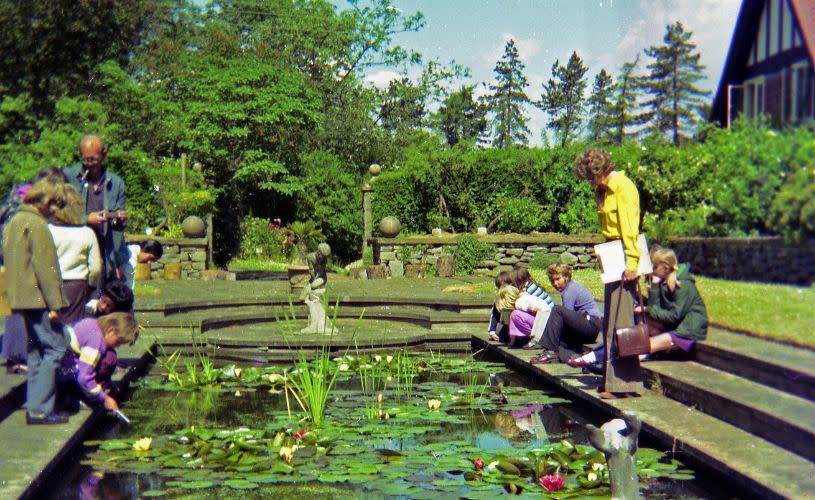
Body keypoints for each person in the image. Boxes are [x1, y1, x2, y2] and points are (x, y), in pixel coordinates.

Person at [573, 149, 643, 397]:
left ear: (600, 170)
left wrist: (633, 262)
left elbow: (630, 226)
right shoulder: (603, 190)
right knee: (611, 319)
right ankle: (612, 382)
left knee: (622, 320)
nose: (591, 183)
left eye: (591, 178)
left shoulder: (623, 187)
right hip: (612, 253)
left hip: (624, 255)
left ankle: (624, 384)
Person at [567, 247, 708, 366]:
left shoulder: (684, 285)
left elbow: (674, 316)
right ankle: (593, 358)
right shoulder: (664, 281)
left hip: (687, 331)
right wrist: (653, 288)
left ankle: (604, 363)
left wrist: (649, 308)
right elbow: (656, 309)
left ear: (665, 267)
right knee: (633, 330)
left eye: (653, 267)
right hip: (674, 325)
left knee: (638, 344)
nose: (650, 271)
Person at [3, 179, 70, 424]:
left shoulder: (14, 221)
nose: (54, 212)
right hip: (38, 299)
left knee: (34, 352)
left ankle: (35, 407)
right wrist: (56, 304)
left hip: (19, 298)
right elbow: (46, 268)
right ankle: (41, 409)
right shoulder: (37, 224)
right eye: (54, 206)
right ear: (44, 201)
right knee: (55, 348)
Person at [64, 135, 128, 285]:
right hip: (76, 254)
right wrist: (86, 219)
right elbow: (58, 215)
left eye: (93, 159)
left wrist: (117, 263)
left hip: (105, 254)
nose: (89, 164)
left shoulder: (116, 183)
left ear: (104, 154)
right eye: (85, 159)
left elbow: (119, 231)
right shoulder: (68, 177)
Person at [57, 312, 139, 414]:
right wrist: (104, 398)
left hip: (66, 361)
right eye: (118, 342)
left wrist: (108, 381)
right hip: (62, 372)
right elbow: (84, 377)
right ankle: (83, 397)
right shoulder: (96, 342)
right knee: (110, 358)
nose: (117, 346)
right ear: (111, 330)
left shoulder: (93, 323)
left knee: (111, 355)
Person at [49, 184, 103, 325]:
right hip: (76, 286)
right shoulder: (87, 233)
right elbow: (96, 268)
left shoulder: (47, 231)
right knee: (72, 328)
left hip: (50, 284)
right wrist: (91, 287)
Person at [529, 263, 602, 364]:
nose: (555, 283)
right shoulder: (566, 289)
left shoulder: (570, 290)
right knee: (561, 341)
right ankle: (559, 354)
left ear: (566, 277)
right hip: (585, 326)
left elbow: (565, 317)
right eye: (552, 281)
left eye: (558, 279)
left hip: (591, 325)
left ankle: (550, 351)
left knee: (557, 310)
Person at [488, 271, 512, 342]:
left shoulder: (515, 296)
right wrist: (492, 332)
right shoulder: (498, 301)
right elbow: (494, 316)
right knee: (499, 335)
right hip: (506, 325)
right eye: (499, 288)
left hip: (517, 327)